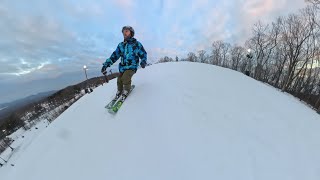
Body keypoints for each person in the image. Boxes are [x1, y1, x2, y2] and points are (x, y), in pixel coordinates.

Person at [101, 26, 147, 100]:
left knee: (126, 77)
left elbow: (143, 53)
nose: (124, 33)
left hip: (132, 66)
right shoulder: (121, 45)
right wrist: (106, 65)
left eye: (126, 31)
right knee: (119, 79)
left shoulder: (136, 44)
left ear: (131, 33)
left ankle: (126, 90)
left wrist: (143, 61)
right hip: (122, 67)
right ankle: (119, 90)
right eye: (123, 32)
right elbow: (114, 56)